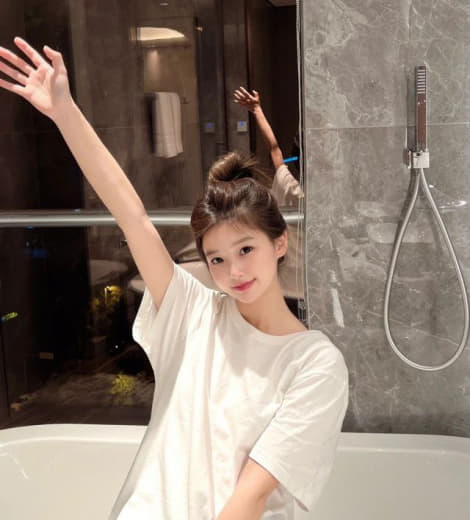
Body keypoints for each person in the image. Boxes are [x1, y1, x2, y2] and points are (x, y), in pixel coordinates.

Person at [0, 38, 349, 520]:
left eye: (246, 250)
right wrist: (65, 113)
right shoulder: (193, 314)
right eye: (217, 259)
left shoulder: (314, 364)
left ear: (280, 243)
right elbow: (132, 215)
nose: (234, 272)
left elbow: (250, 498)